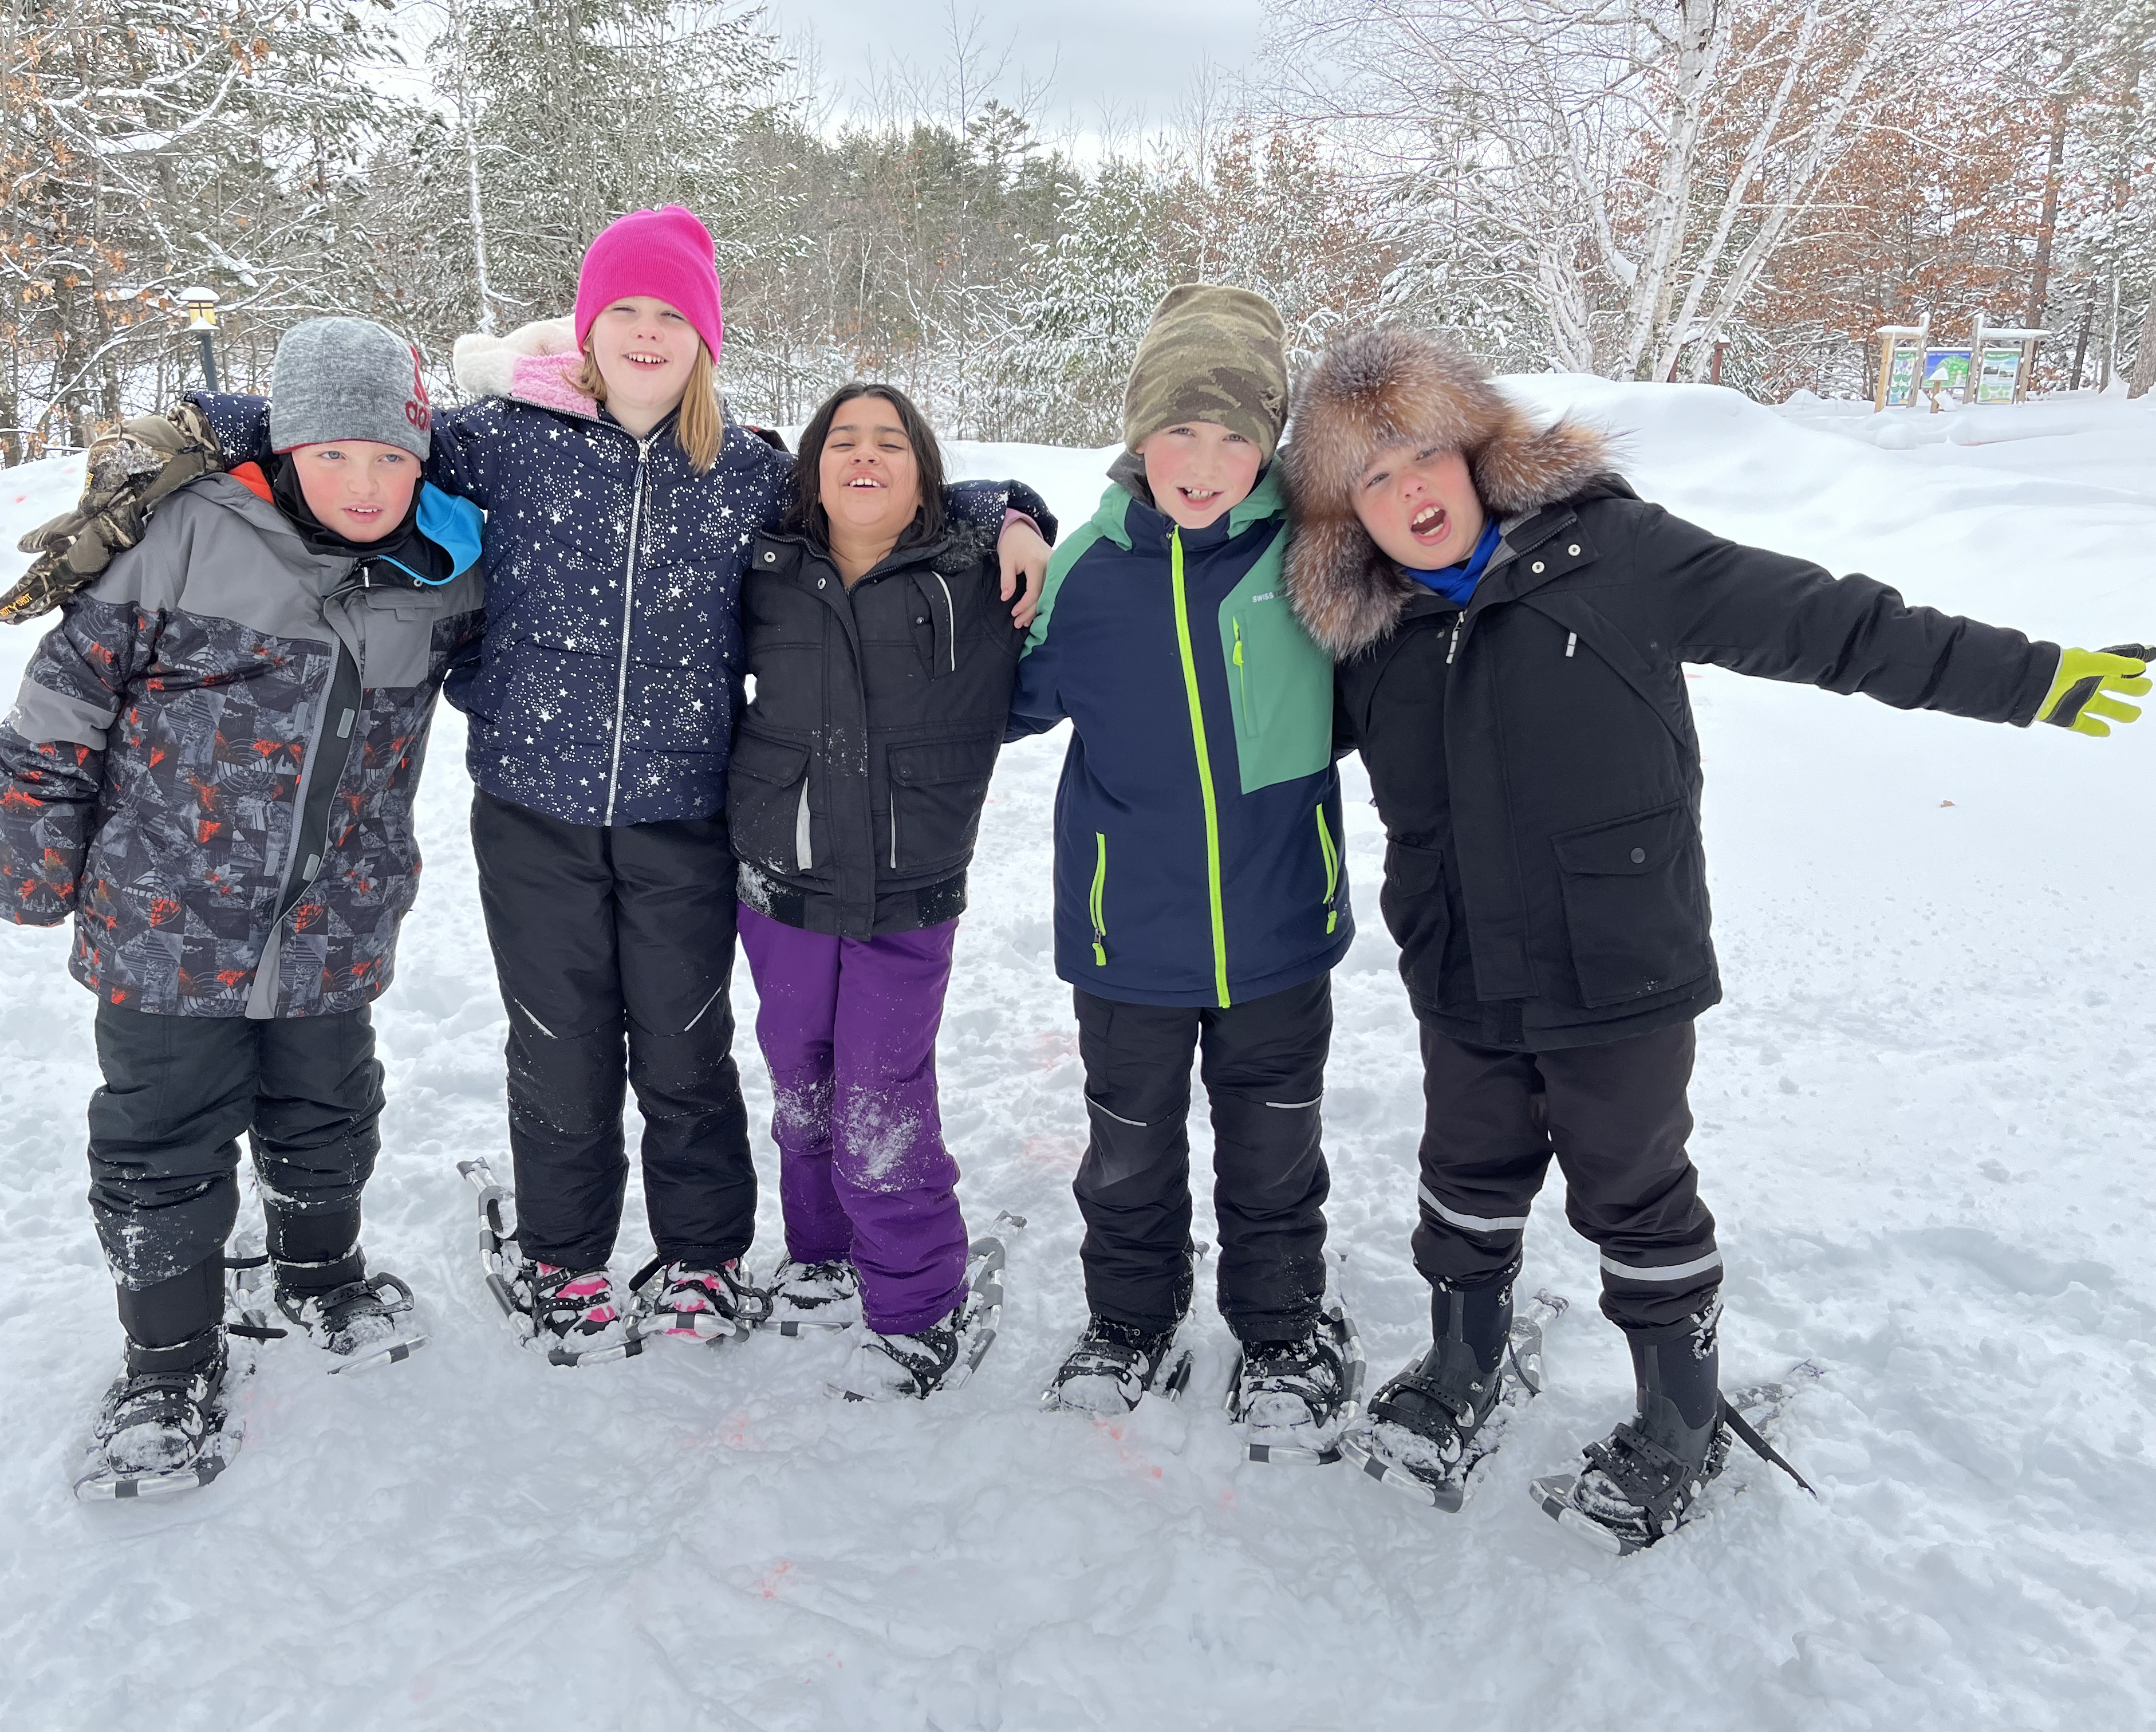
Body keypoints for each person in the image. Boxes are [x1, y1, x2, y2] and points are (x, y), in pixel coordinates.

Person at [1281, 322, 2150, 1552]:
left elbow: (1837, 626)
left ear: (1476, 452)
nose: (1406, 491)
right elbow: (1225, 717)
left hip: (1620, 961)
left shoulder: (1618, 555)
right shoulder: (1369, 636)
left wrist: (2038, 679)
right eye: (1368, 478)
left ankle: (1679, 1421)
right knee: (1465, 1177)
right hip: (1462, 961)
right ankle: (1462, 1360)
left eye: (1421, 454)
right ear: (1342, 516)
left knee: (1634, 1191)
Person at [178, 207, 1054, 1361]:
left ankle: (702, 1255)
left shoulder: (743, 470)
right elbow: (361, 448)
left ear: (705, 341)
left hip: (683, 810)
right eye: (624, 313)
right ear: (590, 327)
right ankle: (565, 1253)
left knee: (687, 1045)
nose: (647, 335)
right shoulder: (501, 440)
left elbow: (883, 493)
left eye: (672, 317)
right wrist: (218, 423)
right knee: (561, 1041)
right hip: (531, 805)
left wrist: (1015, 509)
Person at [0, 316, 487, 1500]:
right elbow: (61, 707)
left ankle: (318, 1273)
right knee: (162, 1133)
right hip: (166, 920)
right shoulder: (188, 537)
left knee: (328, 1102)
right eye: (335, 455)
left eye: (392, 459)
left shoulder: (444, 571)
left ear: (423, 458)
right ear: (288, 448)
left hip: (335, 920)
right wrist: (33, 863)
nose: (365, 485)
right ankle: (166, 1364)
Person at [1011, 285, 1358, 1459]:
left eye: (1233, 436)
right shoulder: (1089, 570)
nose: (1203, 462)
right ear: (1136, 436)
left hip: (1278, 926)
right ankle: (1129, 1320)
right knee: (1128, 1146)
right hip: (1128, 938)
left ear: (1269, 445)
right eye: (1178, 431)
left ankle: (1281, 1330)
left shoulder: (1314, 560)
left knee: (1274, 1146)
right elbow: (999, 699)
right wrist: (987, 527)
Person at [728, 382, 1047, 1399]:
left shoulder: (974, 575)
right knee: (798, 1080)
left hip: (909, 890)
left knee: (882, 1095)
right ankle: (819, 1255)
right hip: (782, 880)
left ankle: (914, 1300)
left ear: (925, 476)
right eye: (843, 442)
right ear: (813, 468)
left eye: (892, 444)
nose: (865, 458)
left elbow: (1008, 501)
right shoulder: (767, 567)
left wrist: (1019, 515)